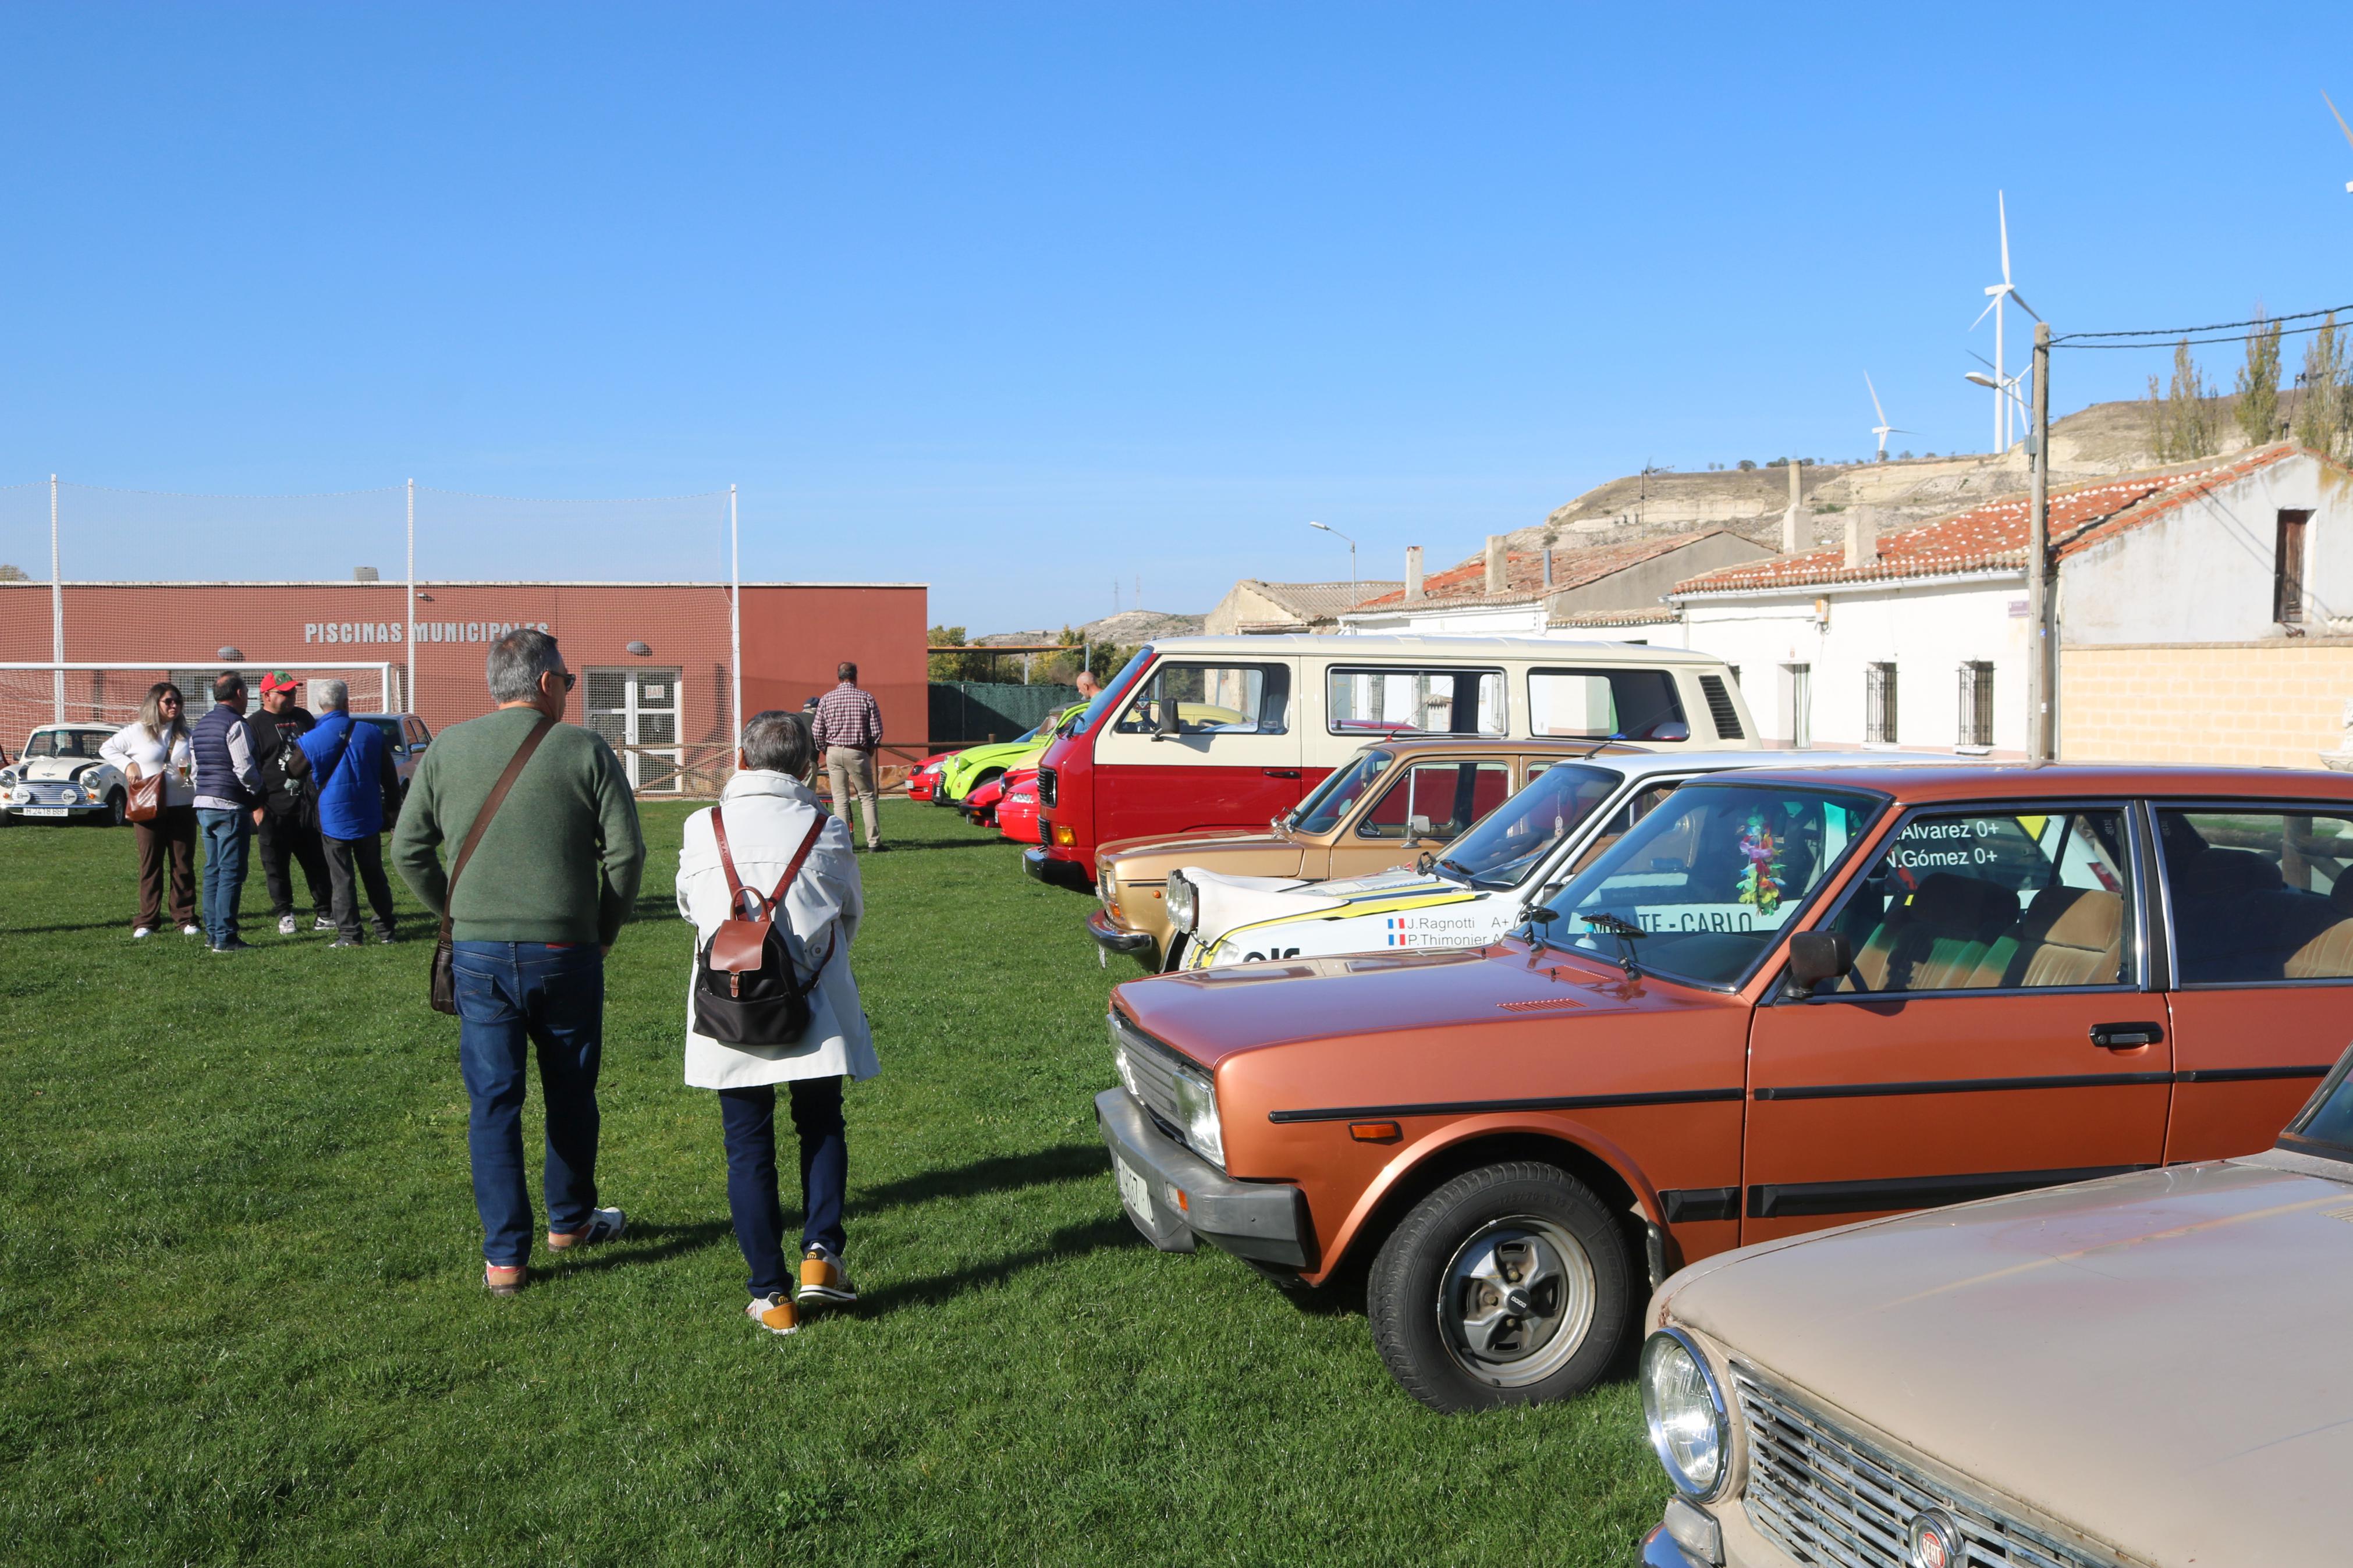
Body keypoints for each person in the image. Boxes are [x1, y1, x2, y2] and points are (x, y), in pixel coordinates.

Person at [392, 627, 647, 1296]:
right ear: (543, 683)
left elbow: (407, 852)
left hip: (475, 952)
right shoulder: (584, 747)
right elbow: (626, 854)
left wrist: (453, 913)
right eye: (566, 679)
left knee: (493, 1103)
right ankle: (569, 1221)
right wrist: (605, 930)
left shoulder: (446, 747)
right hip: (566, 950)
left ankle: (505, 1257)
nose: (568, 688)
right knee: (570, 1091)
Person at [677, 709, 875, 1335]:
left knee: (747, 1147)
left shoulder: (702, 825)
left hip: (729, 1003)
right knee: (819, 1124)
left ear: (741, 759)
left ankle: (771, 1295)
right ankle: (821, 1256)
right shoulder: (826, 827)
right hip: (810, 999)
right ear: (806, 766)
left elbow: (691, 908)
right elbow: (850, 913)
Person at [300, 679, 404, 947]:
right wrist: (393, 812)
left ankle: (350, 935)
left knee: (341, 877)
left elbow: (292, 769)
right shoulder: (371, 733)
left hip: (332, 816)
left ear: (321, 706)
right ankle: (386, 930)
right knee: (374, 873)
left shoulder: (312, 738)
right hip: (368, 813)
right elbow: (389, 778)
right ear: (347, 703)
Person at [101, 682, 200, 939]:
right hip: (148, 807)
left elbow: (193, 767)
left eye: (178, 701)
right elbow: (106, 748)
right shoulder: (137, 732)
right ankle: (146, 921)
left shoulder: (187, 734)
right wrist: (128, 764)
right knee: (151, 865)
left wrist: (191, 777)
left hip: (182, 805)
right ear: (155, 703)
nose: (174, 705)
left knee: (183, 865)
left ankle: (186, 918)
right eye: (169, 701)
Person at [247, 671, 334, 937]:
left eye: (293, 692)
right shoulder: (254, 724)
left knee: (318, 862)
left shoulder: (304, 718)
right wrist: (257, 807)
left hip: (307, 807)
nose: (291, 697)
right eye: (284, 693)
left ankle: (325, 913)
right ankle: (285, 914)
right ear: (267, 695)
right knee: (276, 865)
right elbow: (248, 768)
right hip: (273, 808)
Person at [190, 671, 266, 954]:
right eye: (247, 693)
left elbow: (196, 770)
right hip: (230, 804)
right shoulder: (236, 724)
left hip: (203, 803)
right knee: (232, 872)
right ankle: (226, 936)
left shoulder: (200, 725)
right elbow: (244, 768)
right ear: (238, 694)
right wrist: (258, 792)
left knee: (213, 870)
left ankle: (212, 933)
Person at [811, 660, 885, 853]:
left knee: (840, 798)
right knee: (867, 797)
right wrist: (869, 749)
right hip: (857, 750)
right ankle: (873, 842)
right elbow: (877, 730)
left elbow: (817, 730)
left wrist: (825, 749)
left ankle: (845, 844)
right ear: (855, 676)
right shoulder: (866, 698)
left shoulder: (827, 699)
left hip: (834, 751)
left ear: (839, 677)